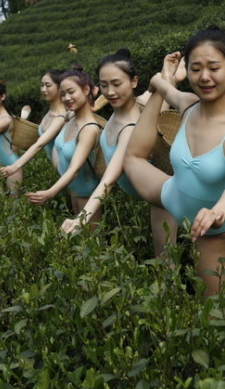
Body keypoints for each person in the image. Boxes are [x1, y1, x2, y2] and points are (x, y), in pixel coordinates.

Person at [123, 27, 225, 295]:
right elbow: (162, 88)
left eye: (214, 68)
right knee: (132, 158)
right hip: (171, 194)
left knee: (209, 309)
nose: (204, 77)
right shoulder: (187, 104)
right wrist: (161, 81)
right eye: (196, 69)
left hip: (210, 227)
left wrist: (217, 212)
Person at [60, 50, 177, 257]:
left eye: (116, 84)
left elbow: (109, 180)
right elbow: (158, 95)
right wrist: (168, 72)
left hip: (163, 201)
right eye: (104, 85)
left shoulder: (130, 129)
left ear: (134, 81)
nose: (110, 92)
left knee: (167, 265)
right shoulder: (136, 105)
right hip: (155, 197)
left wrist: (82, 217)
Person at [25, 68, 102, 213]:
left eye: (71, 92)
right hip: (73, 189)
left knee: (88, 229)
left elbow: (74, 169)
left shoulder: (88, 129)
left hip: (87, 193)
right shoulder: (70, 117)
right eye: (63, 94)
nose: (66, 98)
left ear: (86, 90)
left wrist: (50, 192)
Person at [0, 70, 69, 178]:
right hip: (62, 174)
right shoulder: (50, 112)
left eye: (48, 85)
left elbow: (39, 144)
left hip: (69, 174)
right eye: (42, 85)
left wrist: (15, 166)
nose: (43, 89)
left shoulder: (61, 116)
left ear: (60, 87)